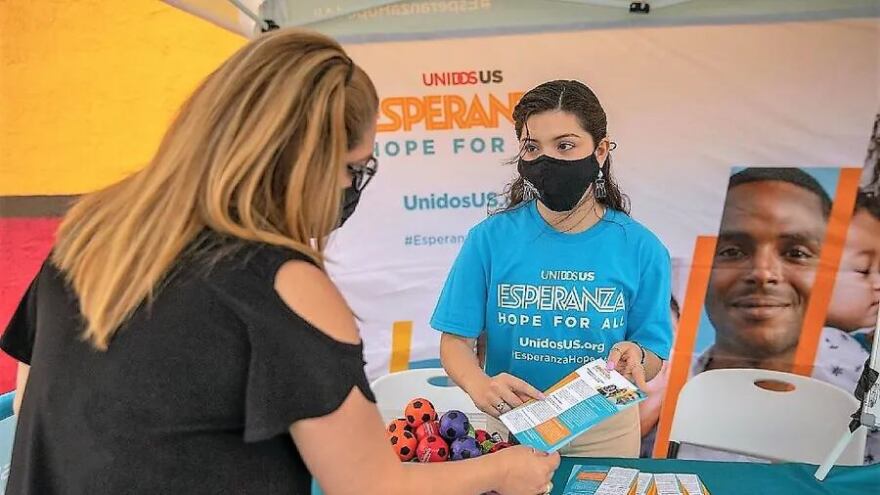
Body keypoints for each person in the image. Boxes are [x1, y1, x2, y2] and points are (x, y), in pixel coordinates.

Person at [0, 29, 559, 494]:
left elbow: (40, 412)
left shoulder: (94, 232)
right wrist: (504, 468)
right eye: (353, 170)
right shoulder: (285, 283)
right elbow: (368, 485)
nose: (351, 189)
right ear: (305, 167)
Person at [431, 80, 674, 458]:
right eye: (532, 147)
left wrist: (637, 357)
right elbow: (455, 342)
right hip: (511, 424)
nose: (547, 160)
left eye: (565, 145)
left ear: (601, 150)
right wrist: (479, 385)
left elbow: (653, 354)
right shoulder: (490, 239)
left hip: (605, 428)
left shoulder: (641, 247)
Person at [695, 167, 831, 375]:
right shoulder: (652, 387)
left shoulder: (861, 395)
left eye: (797, 253)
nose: (763, 273)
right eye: (732, 252)